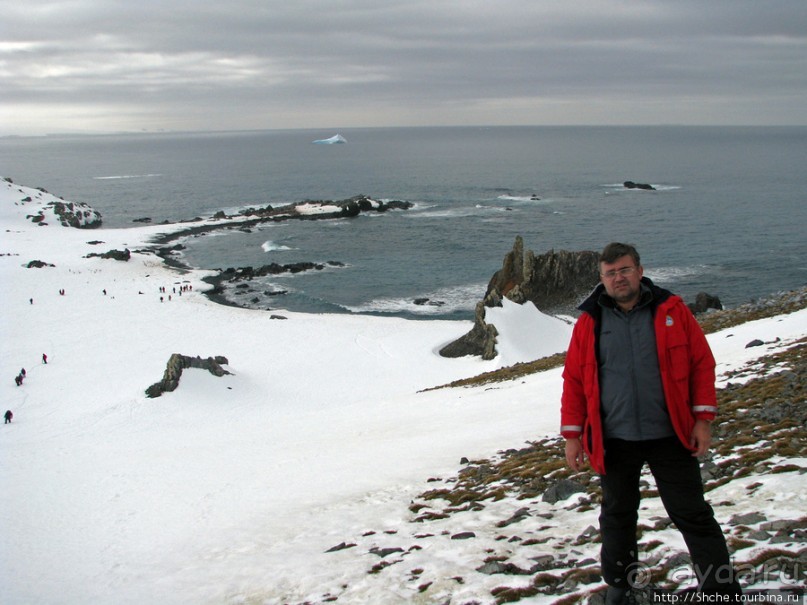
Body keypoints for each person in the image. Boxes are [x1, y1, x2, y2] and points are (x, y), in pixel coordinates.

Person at [560, 243, 739, 604]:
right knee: (617, 516)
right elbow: (575, 381)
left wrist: (703, 420)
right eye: (610, 273)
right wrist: (573, 436)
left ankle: (720, 591)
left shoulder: (672, 311)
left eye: (624, 270)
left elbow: (702, 364)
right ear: (602, 279)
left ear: (640, 271)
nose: (618, 278)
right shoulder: (590, 322)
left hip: (670, 434)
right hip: (614, 439)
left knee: (692, 513)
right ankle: (620, 586)